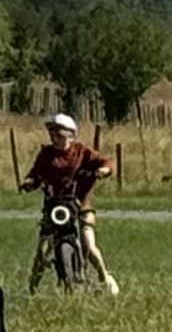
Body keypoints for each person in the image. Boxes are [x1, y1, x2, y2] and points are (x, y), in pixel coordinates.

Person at [26, 111, 118, 295]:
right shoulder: (46, 154)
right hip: (55, 207)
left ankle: (104, 277)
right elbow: (35, 174)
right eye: (52, 133)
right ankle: (33, 287)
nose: (54, 137)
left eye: (58, 134)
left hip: (81, 206)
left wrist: (104, 170)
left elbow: (106, 163)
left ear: (70, 134)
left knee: (89, 245)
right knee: (42, 251)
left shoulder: (82, 152)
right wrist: (29, 182)